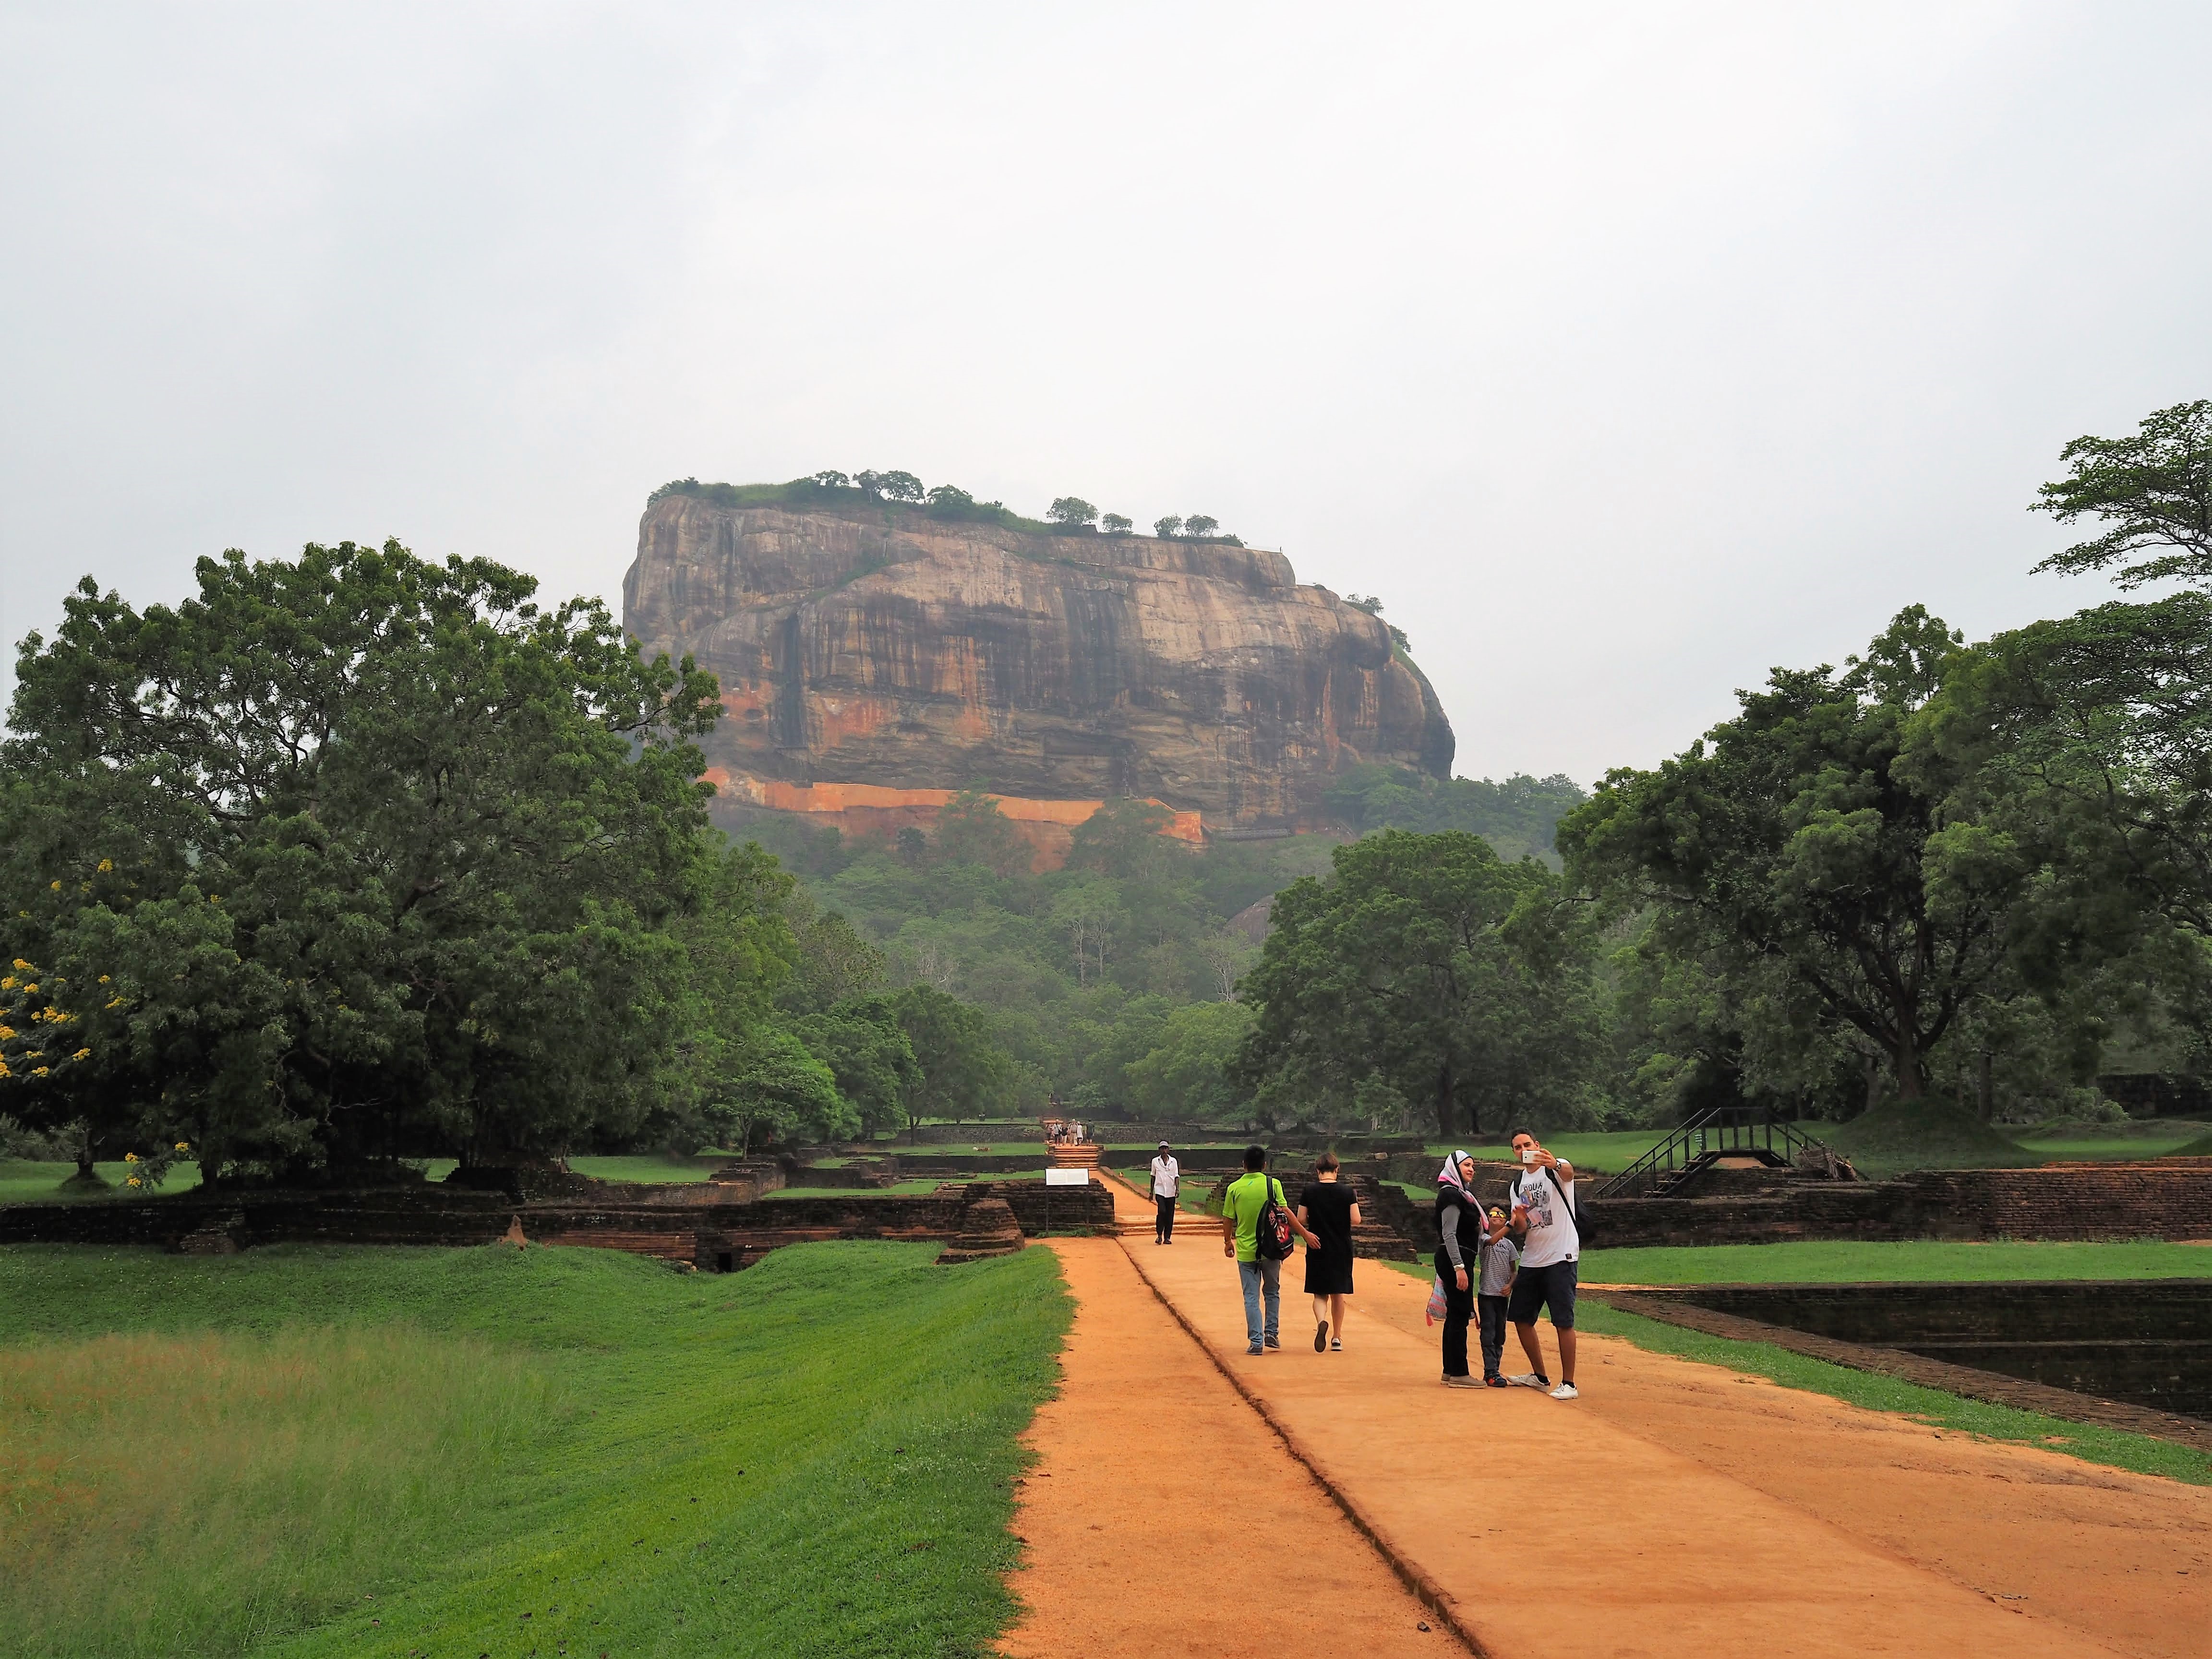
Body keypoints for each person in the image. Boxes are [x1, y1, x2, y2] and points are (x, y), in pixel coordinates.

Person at [1220, 1145, 1320, 1355]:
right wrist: (1305, 1234)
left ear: (1244, 1165)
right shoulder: (1273, 1185)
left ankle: (1256, 1342)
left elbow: (1228, 1219)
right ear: (1265, 1165)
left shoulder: (1234, 1189)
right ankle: (1271, 1334)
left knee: (1251, 1296)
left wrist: (1228, 1242)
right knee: (1272, 1292)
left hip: (1246, 1251)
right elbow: (1286, 1213)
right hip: (1272, 1249)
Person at [1505, 1127, 1581, 1400]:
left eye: (1527, 1145)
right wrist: (1519, 1218)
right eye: (1518, 1147)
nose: (1524, 1150)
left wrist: (1555, 1163)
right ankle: (1539, 1376)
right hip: (1532, 1257)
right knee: (1521, 1318)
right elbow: (1522, 1229)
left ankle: (1569, 1383)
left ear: (1537, 1144)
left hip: (1561, 1254)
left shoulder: (1554, 1170)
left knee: (1563, 1320)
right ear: (1514, 1153)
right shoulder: (1517, 1184)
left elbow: (1569, 1173)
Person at [1296, 1151, 1360, 1351]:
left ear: (1318, 1171)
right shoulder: (1348, 1192)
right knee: (1338, 1293)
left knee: (1320, 1293)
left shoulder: (1309, 1191)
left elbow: (1301, 1219)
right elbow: (1356, 1219)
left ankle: (1321, 1321)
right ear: (1337, 1170)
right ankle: (1337, 1337)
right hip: (1341, 1247)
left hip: (1317, 1245)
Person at [1432, 1150, 1487, 1387]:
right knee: (1460, 1314)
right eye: (1466, 1165)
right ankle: (1459, 1372)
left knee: (1456, 1313)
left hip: (1459, 1257)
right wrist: (1459, 1267)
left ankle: (1450, 1371)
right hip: (1455, 1258)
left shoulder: (1462, 1194)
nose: (1471, 1169)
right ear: (1454, 1168)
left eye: (1473, 1166)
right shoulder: (1451, 1195)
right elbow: (1449, 1233)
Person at [1476, 1205, 1521, 1386]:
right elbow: (1493, 1241)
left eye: (1500, 1214)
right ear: (1487, 1220)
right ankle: (1491, 1372)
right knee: (1488, 1333)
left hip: (1502, 1296)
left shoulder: (1509, 1245)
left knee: (1500, 1334)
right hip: (1487, 1294)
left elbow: (1514, 1271)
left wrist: (1510, 1285)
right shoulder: (1484, 1238)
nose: (1496, 1216)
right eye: (1492, 1214)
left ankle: (1495, 1369)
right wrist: (1511, 1224)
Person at [1148, 1141, 1181, 1245]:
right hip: (1160, 1190)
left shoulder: (1173, 1161)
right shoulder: (1155, 1161)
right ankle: (1159, 1235)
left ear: (1168, 1149)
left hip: (1171, 1191)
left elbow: (1176, 1176)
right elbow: (1153, 1176)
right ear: (1159, 1150)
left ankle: (1167, 1237)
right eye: (1162, 1148)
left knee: (1170, 1215)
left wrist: (1177, 1189)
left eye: (1166, 1148)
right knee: (1162, 1211)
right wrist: (1151, 1192)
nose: (1164, 1151)